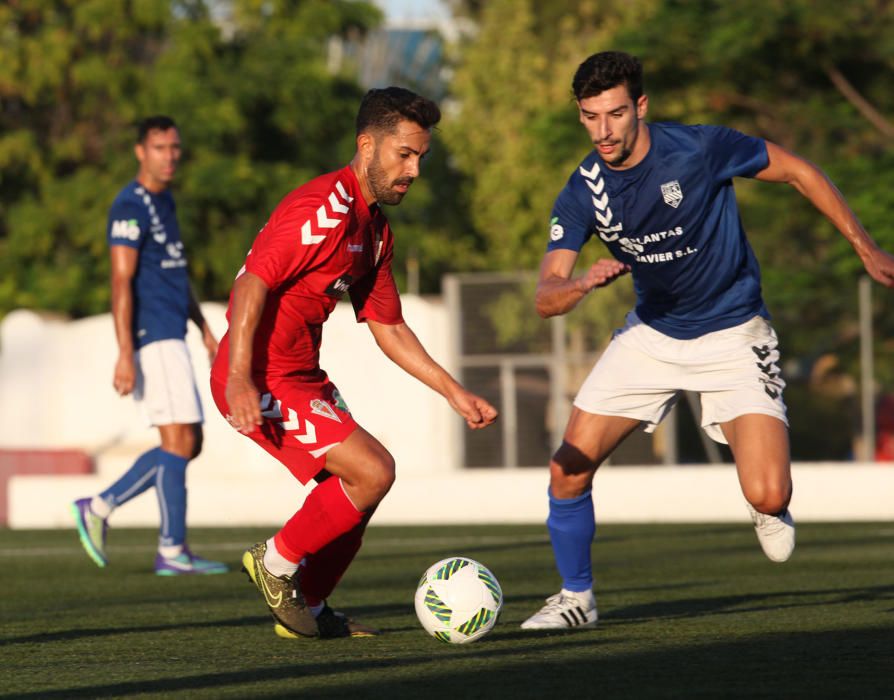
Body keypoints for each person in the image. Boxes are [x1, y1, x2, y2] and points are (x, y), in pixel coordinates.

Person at [522, 51, 894, 630]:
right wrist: (579, 284)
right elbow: (546, 295)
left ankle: (767, 505)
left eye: (616, 114)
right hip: (652, 335)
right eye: (590, 117)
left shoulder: (698, 149)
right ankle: (577, 597)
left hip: (734, 332)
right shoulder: (584, 189)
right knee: (567, 467)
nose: (604, 130)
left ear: (640, 107)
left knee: (769, 494)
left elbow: (798, 170)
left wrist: (863, 244)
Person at [210, 87, 498, 639]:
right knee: (373, 471)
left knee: (360, 491)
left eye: (421, 158)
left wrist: (452, 391)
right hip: (259, 374)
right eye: (404, 155)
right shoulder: (322, 209)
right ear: (367, 146)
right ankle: (274, 564)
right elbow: (251, 285)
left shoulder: (375, 232)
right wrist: (242, 377)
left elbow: (388, 327)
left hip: (300, 378)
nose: (413, 170)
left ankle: (308, 608)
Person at [71, 116, 228, 576]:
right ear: (141, 151)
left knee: (187, 441)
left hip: (174, 332)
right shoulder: (129, 204)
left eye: (175, 147)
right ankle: (165, 545)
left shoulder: (166, 202)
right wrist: (125, 352)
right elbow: (121, 280)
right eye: (160, 147)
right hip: (152, 336)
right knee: (179, 440)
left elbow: (175, 272)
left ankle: (104, 508)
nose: (170, 155)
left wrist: (202, 325)